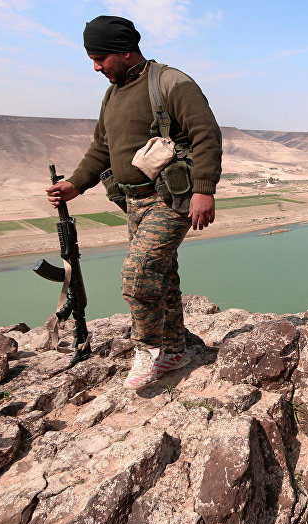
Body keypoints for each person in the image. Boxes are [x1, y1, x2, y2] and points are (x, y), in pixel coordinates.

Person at [46, 15, 222, 390]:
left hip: (171, 199)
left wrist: (204, 190)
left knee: (138, 275)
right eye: (91, 58)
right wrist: (76, 184)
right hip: (133, 202)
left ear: (125, 51)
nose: (95, 66)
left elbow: (206, 135)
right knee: (162, 277)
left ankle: (149, 349)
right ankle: (175, 350)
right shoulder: (112, 93)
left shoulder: (172, 83)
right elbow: (102, 147)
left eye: (100, 58)